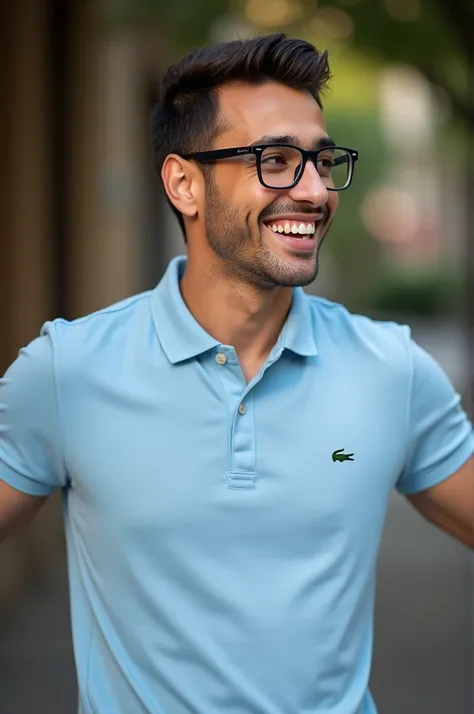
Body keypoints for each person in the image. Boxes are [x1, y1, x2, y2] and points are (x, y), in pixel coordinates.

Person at [0, 33, 472, 714]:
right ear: (184, 183)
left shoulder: (391, 371)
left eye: (321, 160)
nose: (313, 191)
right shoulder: (68, 371)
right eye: (276, 161)